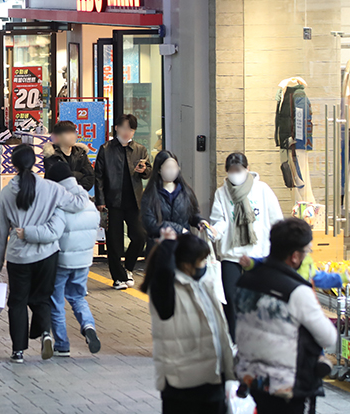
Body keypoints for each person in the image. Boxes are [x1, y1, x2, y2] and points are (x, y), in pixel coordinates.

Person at [0, 144, 88, 364]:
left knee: (17, 302)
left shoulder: (6, 193)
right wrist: (76, 185)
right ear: (34, 163)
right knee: (42, 298)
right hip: (47, 254)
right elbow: (78, 203)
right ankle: (45, 333)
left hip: (18, 257)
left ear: (13, 164)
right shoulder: (50, 188)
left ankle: (18, 351)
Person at [235, 218, 338, 414]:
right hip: (285, 385)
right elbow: (329, 337)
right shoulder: (297, 291)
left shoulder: (245, 280)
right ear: (295, 257)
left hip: (252, 378)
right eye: (307, 251)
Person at [140, 228, 234, 413]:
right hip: (183, 385)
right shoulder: (167, 293)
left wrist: (231, 371)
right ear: (185, 264)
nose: (205, 265)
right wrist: (167, 244)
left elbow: (221, 332)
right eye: (201, 260)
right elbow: (162, 275)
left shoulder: (204, 285)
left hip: (213, 380)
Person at [17, 163, 101, 357]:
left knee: (56, 302)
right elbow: (95, 225)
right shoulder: (87, 200)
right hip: (84, 260)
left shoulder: (58, 202)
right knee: (78, 297)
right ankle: (88, 326)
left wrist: (27, 233)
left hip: (61, 260)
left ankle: (62, 344)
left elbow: (52, 231)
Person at [209, 152, 283, 341]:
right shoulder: (222, 193)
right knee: (231, 300)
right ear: (227, 172)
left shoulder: (262, 190)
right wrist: (215, 230)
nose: (236, 174)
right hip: (231, 255)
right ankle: (234, 341)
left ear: (247, 169)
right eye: (232, 170)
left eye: (239, 170)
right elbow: (220, 220)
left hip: (257, 255)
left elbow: (276, 219)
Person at [95, 114, 151, 290]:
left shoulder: (140, 149)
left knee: (140, 236)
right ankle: (118, 278)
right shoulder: (106, 149)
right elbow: (99, 177)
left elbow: (148, 172)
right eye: (124, 128)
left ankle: (128, 269)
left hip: (134, 201)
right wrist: (101, 201)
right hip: (113, 202)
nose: (127, 132)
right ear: (116, 128)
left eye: (131, 129)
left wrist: (144, 170)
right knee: (114, 241)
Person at [141, 150, 205, 246]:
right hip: (159, 248)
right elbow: (150, 224)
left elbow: (193, 214)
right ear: (159, 170)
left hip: (182, 247)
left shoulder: (186, 192)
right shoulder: (150, 195)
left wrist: (199, 221)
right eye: (168, 167)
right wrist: (179, 229)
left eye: (174, 167)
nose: (172, 170)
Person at [43, 121, 94, 191]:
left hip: (78, 196)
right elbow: (54, 179)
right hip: (58, 197)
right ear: (58, 136)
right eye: (68, 133)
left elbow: (90, 177)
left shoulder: (81, 153)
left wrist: (76, 190)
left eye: (73, 132)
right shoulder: (51, 155)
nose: (72, 136)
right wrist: (78, 175)